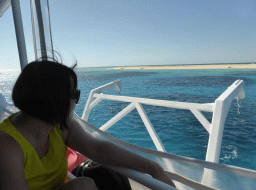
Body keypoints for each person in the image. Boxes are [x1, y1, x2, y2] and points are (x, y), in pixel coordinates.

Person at [0, 60, 176, 190]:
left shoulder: (59, 127)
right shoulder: (7, 146)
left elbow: (97, 148)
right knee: (83, 186)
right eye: (75, 94)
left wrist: (153, 168)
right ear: (55, 100)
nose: (77, 100)